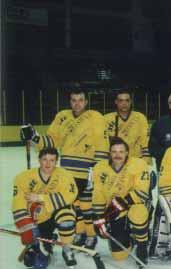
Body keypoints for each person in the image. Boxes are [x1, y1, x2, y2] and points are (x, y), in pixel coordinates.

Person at [20, 89, 109, 250]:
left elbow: (103, 144)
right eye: (74, 100)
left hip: (86, 171)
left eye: (80, 100)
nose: (77, 103)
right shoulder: (62, 116)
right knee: (73, 206)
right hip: (66, 172)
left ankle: (91, 236)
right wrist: (34, 137)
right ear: (70, 101)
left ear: (86, 101)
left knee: (86, 206)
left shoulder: (96, 117)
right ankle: (80, 233)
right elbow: (51, 141)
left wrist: (97, 170)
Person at [12, 147, 79, 269]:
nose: (48, 164)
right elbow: (18, 203)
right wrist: (25, 226)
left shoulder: (65, 175)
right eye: (45, 159)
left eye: (52, 160)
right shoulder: (23, 178)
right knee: (37, 265)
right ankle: (46, 242)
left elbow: (70, 196)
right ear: (39, 160)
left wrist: (40, 197)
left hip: (57, 213)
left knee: (67, 216)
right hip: (39, 219)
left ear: (56, 161)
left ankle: (67, 248)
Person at [91, 137, 152, 268]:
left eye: (121, 151)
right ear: (109, 153)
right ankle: (131, 238)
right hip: (114, 211)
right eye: (114, 152)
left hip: (134, 205)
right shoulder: (100, 168)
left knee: (138, 213)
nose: (117, 155)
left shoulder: (139, 164)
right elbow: (98, 195)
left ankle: (142, 246)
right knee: (119, 256)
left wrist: (116, 207)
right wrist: (99, 218)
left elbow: (142, 193)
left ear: (127, 153)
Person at [104, 89, 151, 164]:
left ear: (131, 102)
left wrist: (146, 161)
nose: (124, 103)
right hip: (116, 161)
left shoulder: (140, 118)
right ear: (116, 102)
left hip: (136, 160)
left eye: (127, 100)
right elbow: (104, 143)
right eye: (121, 100)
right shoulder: (107, 119)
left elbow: (146, 141)